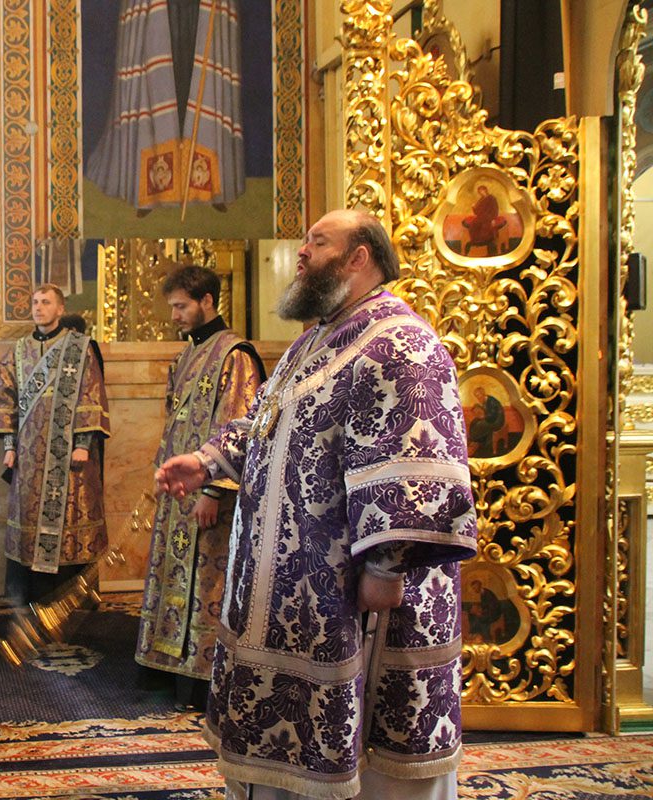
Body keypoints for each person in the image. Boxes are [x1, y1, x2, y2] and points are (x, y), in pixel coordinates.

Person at [157, 210, 477, 800]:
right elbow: (266, 422)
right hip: (294, 597)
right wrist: (207, 461)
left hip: (355, 597)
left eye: (317, 242)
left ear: (359, 257)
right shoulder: (316, 340)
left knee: (370, 755)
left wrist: (386, 568)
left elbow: (417, 465)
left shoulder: (400, 341)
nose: (301, 252)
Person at [136, 265, 264, 710]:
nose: (174, 315)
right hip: (179, 490)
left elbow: (238, 422)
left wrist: (214, 490)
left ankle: (202, 677)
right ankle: (168, 666)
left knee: (206, 582)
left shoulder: (235, 354)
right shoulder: (187, 354)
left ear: (207, 301)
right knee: (174, 576)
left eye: (181, 306)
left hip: (210, 492)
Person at [0, 284, 110, 604]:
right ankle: (33, 596)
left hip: (68, 455)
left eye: (46, 302)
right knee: (29, 518)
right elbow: (4, 399)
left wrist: (83, 443)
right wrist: (9, 447)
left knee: (70, 518)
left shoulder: (79, 347)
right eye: (35, 302)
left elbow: (91, 393)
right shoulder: (18, 350)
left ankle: (70, 597)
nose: (39, 307)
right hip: (29, 454)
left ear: (60, 309)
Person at [86, 0, 243, 211]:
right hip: (158, 10)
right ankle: (150, 191)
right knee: (155, 89)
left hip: (200, 10)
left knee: (201, 87)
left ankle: (209, 187)